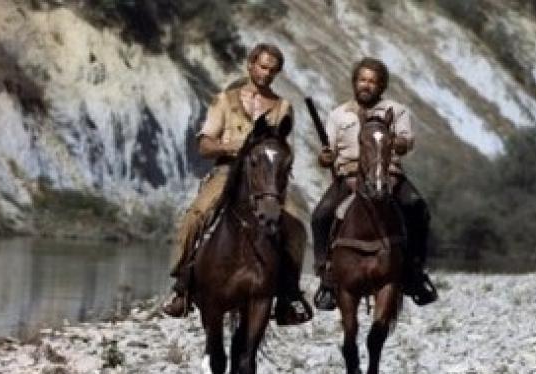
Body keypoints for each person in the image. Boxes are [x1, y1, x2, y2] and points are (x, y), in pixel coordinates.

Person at [163, 43, 312, 325]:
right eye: (262, 67)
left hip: (266, 177)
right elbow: (205, 145)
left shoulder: (283, 108)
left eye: (272, 70)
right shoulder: (225, 100)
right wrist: (233, 147)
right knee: (196, 215)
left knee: (295, 226)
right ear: (251, 65)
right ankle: (182, 285)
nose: (266, 74)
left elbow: (286, 148)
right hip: (227, 173)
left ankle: (289, 296)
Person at [311, 57, 438, 310]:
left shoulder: (396, 110)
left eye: (372, 81)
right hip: (348, 177)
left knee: (416, 206)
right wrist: (325, 158)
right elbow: (328, 155)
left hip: (388, 174)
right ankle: (326, 276)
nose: (366, 85)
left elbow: (406, 141)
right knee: (321, 215)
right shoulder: (338, 114)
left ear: (381, 86)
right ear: (354, 83)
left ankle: (415, 271)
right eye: (362, 80)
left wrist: (393, 141)